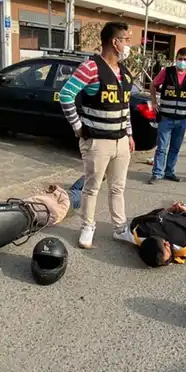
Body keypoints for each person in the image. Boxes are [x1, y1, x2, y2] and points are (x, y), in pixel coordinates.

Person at [58, 21, 135, 249]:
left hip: (121, 141)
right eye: (126, 40)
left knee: (117, 188)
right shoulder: (91, 67)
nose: (128, 45)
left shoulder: (124, 72)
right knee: (92, 187)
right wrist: (77, 127)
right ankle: (87, 227)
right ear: (115, 42)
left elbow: (125, 106)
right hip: (98, 142)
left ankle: (120, 229)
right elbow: (66, 95)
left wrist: (129, 134)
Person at [148, 47, 186, 184]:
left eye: (185, 59)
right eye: (180, 59)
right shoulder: (167, 72)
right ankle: (157, 173)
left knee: (175, 147)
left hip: (183, 118)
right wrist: (154, 103)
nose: (182, 62)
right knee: (162, 147)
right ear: (176, 59)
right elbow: (153, 85)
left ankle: (169, 171)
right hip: (166, 117)